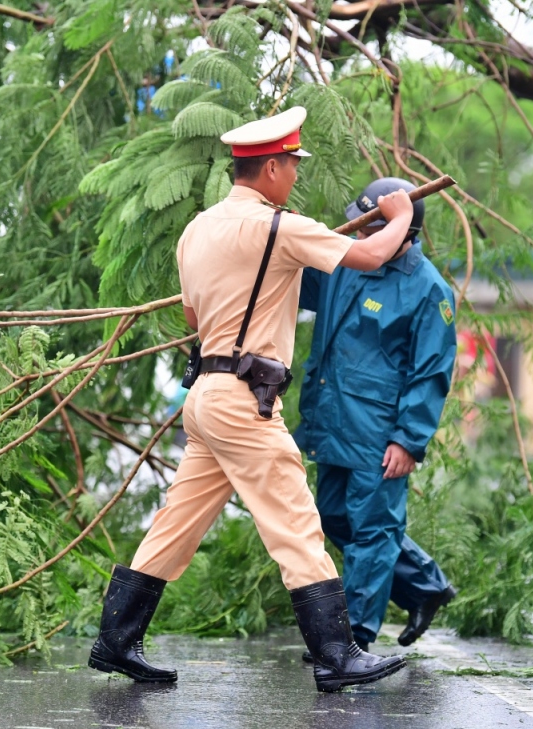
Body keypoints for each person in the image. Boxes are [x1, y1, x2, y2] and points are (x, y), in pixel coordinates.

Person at [88, 107, 415, 693]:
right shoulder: (280, 227)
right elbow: (370, 256)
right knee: (295, 521)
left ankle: (116, 638)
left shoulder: (196, 231)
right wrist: (401, 214)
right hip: (245, 402)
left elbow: (193, 316)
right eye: (291, 164)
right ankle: (337, 654)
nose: (294, 175)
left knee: (177, 521)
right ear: (269, 168)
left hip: (207, 395)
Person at [293, 177, 458, 655]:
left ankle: (353, 639)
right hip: (331, 420)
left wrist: (409, 439)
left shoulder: (428, 290)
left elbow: (431, 373)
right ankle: (423, 584)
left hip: (379, 434)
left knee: (373, 529)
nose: (360, 238)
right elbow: (289, 277)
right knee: (333, 519)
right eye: (360, 228)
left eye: (370, 231)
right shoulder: (346, 263)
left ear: (404, 233)